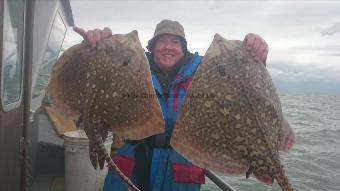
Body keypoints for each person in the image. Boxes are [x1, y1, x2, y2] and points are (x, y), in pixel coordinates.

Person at [74, 19, 272, 191]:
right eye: (162, 41)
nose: (168, 46)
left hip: (181, 168)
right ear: (152, 46)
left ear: (183, 48)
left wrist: (257, 57)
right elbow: (93, 77)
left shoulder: (207, 70)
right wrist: (93, 45)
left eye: (175, 42)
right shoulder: (128, 65)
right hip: (133, 160)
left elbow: (240, 77)